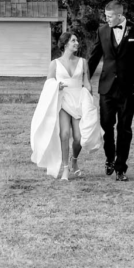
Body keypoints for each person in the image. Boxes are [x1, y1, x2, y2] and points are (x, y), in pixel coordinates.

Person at [87, 0, 134, 181]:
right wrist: (83, 80)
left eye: (109, 16)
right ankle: (109, 159)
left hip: (129, 88)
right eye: (105, 16)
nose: (106, 19)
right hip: (106, 87)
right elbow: (94, 58)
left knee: (124, 128)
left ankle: (120, 168)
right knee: (106, 125)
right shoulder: (102, 31)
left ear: (120, 15)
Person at [30, 31, 101, 180]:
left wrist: (90, 100)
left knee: (79, 137)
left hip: (78, 101)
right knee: (64, 134)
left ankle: (74, 160)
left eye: (77, 40)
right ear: (65, 44)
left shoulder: (83, 62)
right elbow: (48, 83)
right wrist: (57, 86)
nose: (77, 43)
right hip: (63, 101)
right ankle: (65, 169)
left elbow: (87, 82)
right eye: (73, 41)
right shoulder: (54, 64)